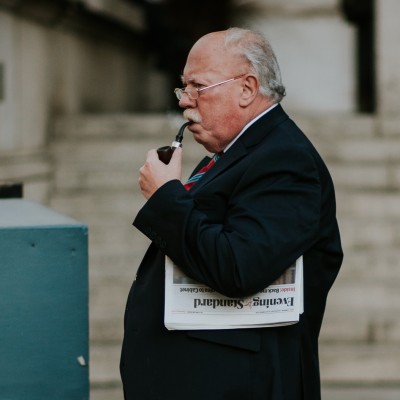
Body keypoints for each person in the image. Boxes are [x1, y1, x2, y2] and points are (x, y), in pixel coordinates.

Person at [120, 27, 343, 400]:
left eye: (198, 87)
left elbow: (239, 267)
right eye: (183, 88)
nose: (185, 101)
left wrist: (164, 197)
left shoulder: (284, 159)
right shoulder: (245, 153)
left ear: (246, 88)